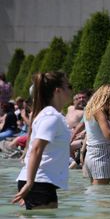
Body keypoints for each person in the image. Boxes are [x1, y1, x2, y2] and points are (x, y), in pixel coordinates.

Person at [12, 71, 72, 210]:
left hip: (39, 182)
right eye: (69, 85)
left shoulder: (50, 115)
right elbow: (37, 149)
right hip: (38, 182)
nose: (71, 89)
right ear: (58, 91)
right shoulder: (51, 116)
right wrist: (30, 183)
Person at [83, 84, 110, 185]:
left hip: (91, 153)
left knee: (95, 193)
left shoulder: (89, 110)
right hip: (101, 154)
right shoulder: (99, 112)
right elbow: (108, 135)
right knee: (102, 194)